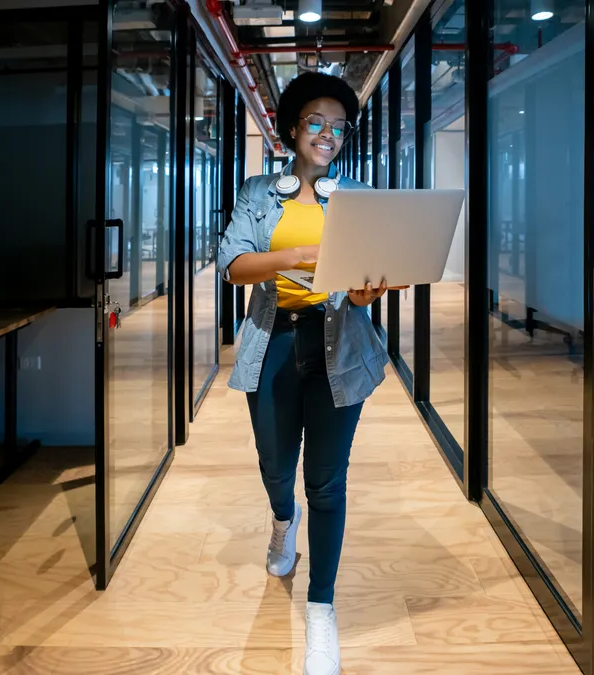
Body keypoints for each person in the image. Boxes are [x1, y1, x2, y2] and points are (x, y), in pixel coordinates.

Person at [217, 72, 394, 675]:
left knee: (327, 481)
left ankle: (322, 609)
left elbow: (368, 278)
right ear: (293, 129)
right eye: (316, 122)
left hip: (339, 344)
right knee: (275, 466)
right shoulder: (259, 191)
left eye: (339, 127)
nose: (328, 134)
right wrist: (293, 256)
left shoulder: (358, 195)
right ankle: (280, 521)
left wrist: (370, 292)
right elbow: (233, 265)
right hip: (274, 342)